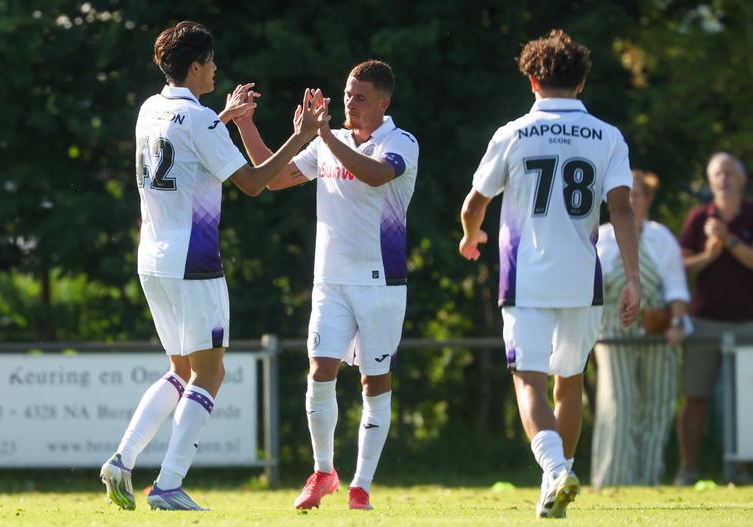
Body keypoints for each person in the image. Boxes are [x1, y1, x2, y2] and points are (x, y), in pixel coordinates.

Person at [99, 20, 327, 511]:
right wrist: (301, 136)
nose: (217, 69)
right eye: (212, 63)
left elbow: (186, 146)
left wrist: (223, 118)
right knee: (211, 371)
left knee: (181, 369)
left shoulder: (150, 109)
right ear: (197, 66)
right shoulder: (200, 120)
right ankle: (167, 484)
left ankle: (122, 459)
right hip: (193, 259)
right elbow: (253, 183)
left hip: (152, 259)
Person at [458, 30, 641, 518]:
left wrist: (470, 235)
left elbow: (475, 202)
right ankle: (554, 482)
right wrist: (636, 278)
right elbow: (621, 210)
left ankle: (556, 470)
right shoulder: (608, 135)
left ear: (533, 80)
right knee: (571, 383)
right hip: (583, 280)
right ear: (581, 83)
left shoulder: (512, 133)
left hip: (528, 280)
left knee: (529, 382)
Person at [234, 60, 419, 510]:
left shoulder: (401, 142)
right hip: (330, 281)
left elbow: (375, 175)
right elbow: (271, 176)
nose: (350, 104)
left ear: (383, 102)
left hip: (381, 283)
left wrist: (325, 136)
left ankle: (362, 485)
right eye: (348, 95)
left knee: (375, 383)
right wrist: (245, 123)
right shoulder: (326, 144)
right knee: (319, 373)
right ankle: (323, 472)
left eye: (359, 97)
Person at [591, 170, 689, 488]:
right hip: (612, 331)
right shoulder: (600, 237)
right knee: (618, 405)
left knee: (658, 407)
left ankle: (648, 481)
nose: (633, 200)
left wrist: (674, 323)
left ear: (648, 199)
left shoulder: (661, 238)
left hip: (657, 330)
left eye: (639, 194)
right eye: (626, 194)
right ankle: (613, 482)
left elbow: (675, 287)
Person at [676, 152, 753, 486]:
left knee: (745, 399)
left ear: (741, 179)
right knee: (695, 397)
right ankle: (688, 469)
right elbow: (679, 267)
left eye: (728, 173)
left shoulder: (751, 214)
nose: (723, 179)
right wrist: (709, 253)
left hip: (747, 323)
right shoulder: (697, 218)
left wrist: (729, 240)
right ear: (709, 181)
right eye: (717, 174)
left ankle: (738, 472)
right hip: (703, 322)